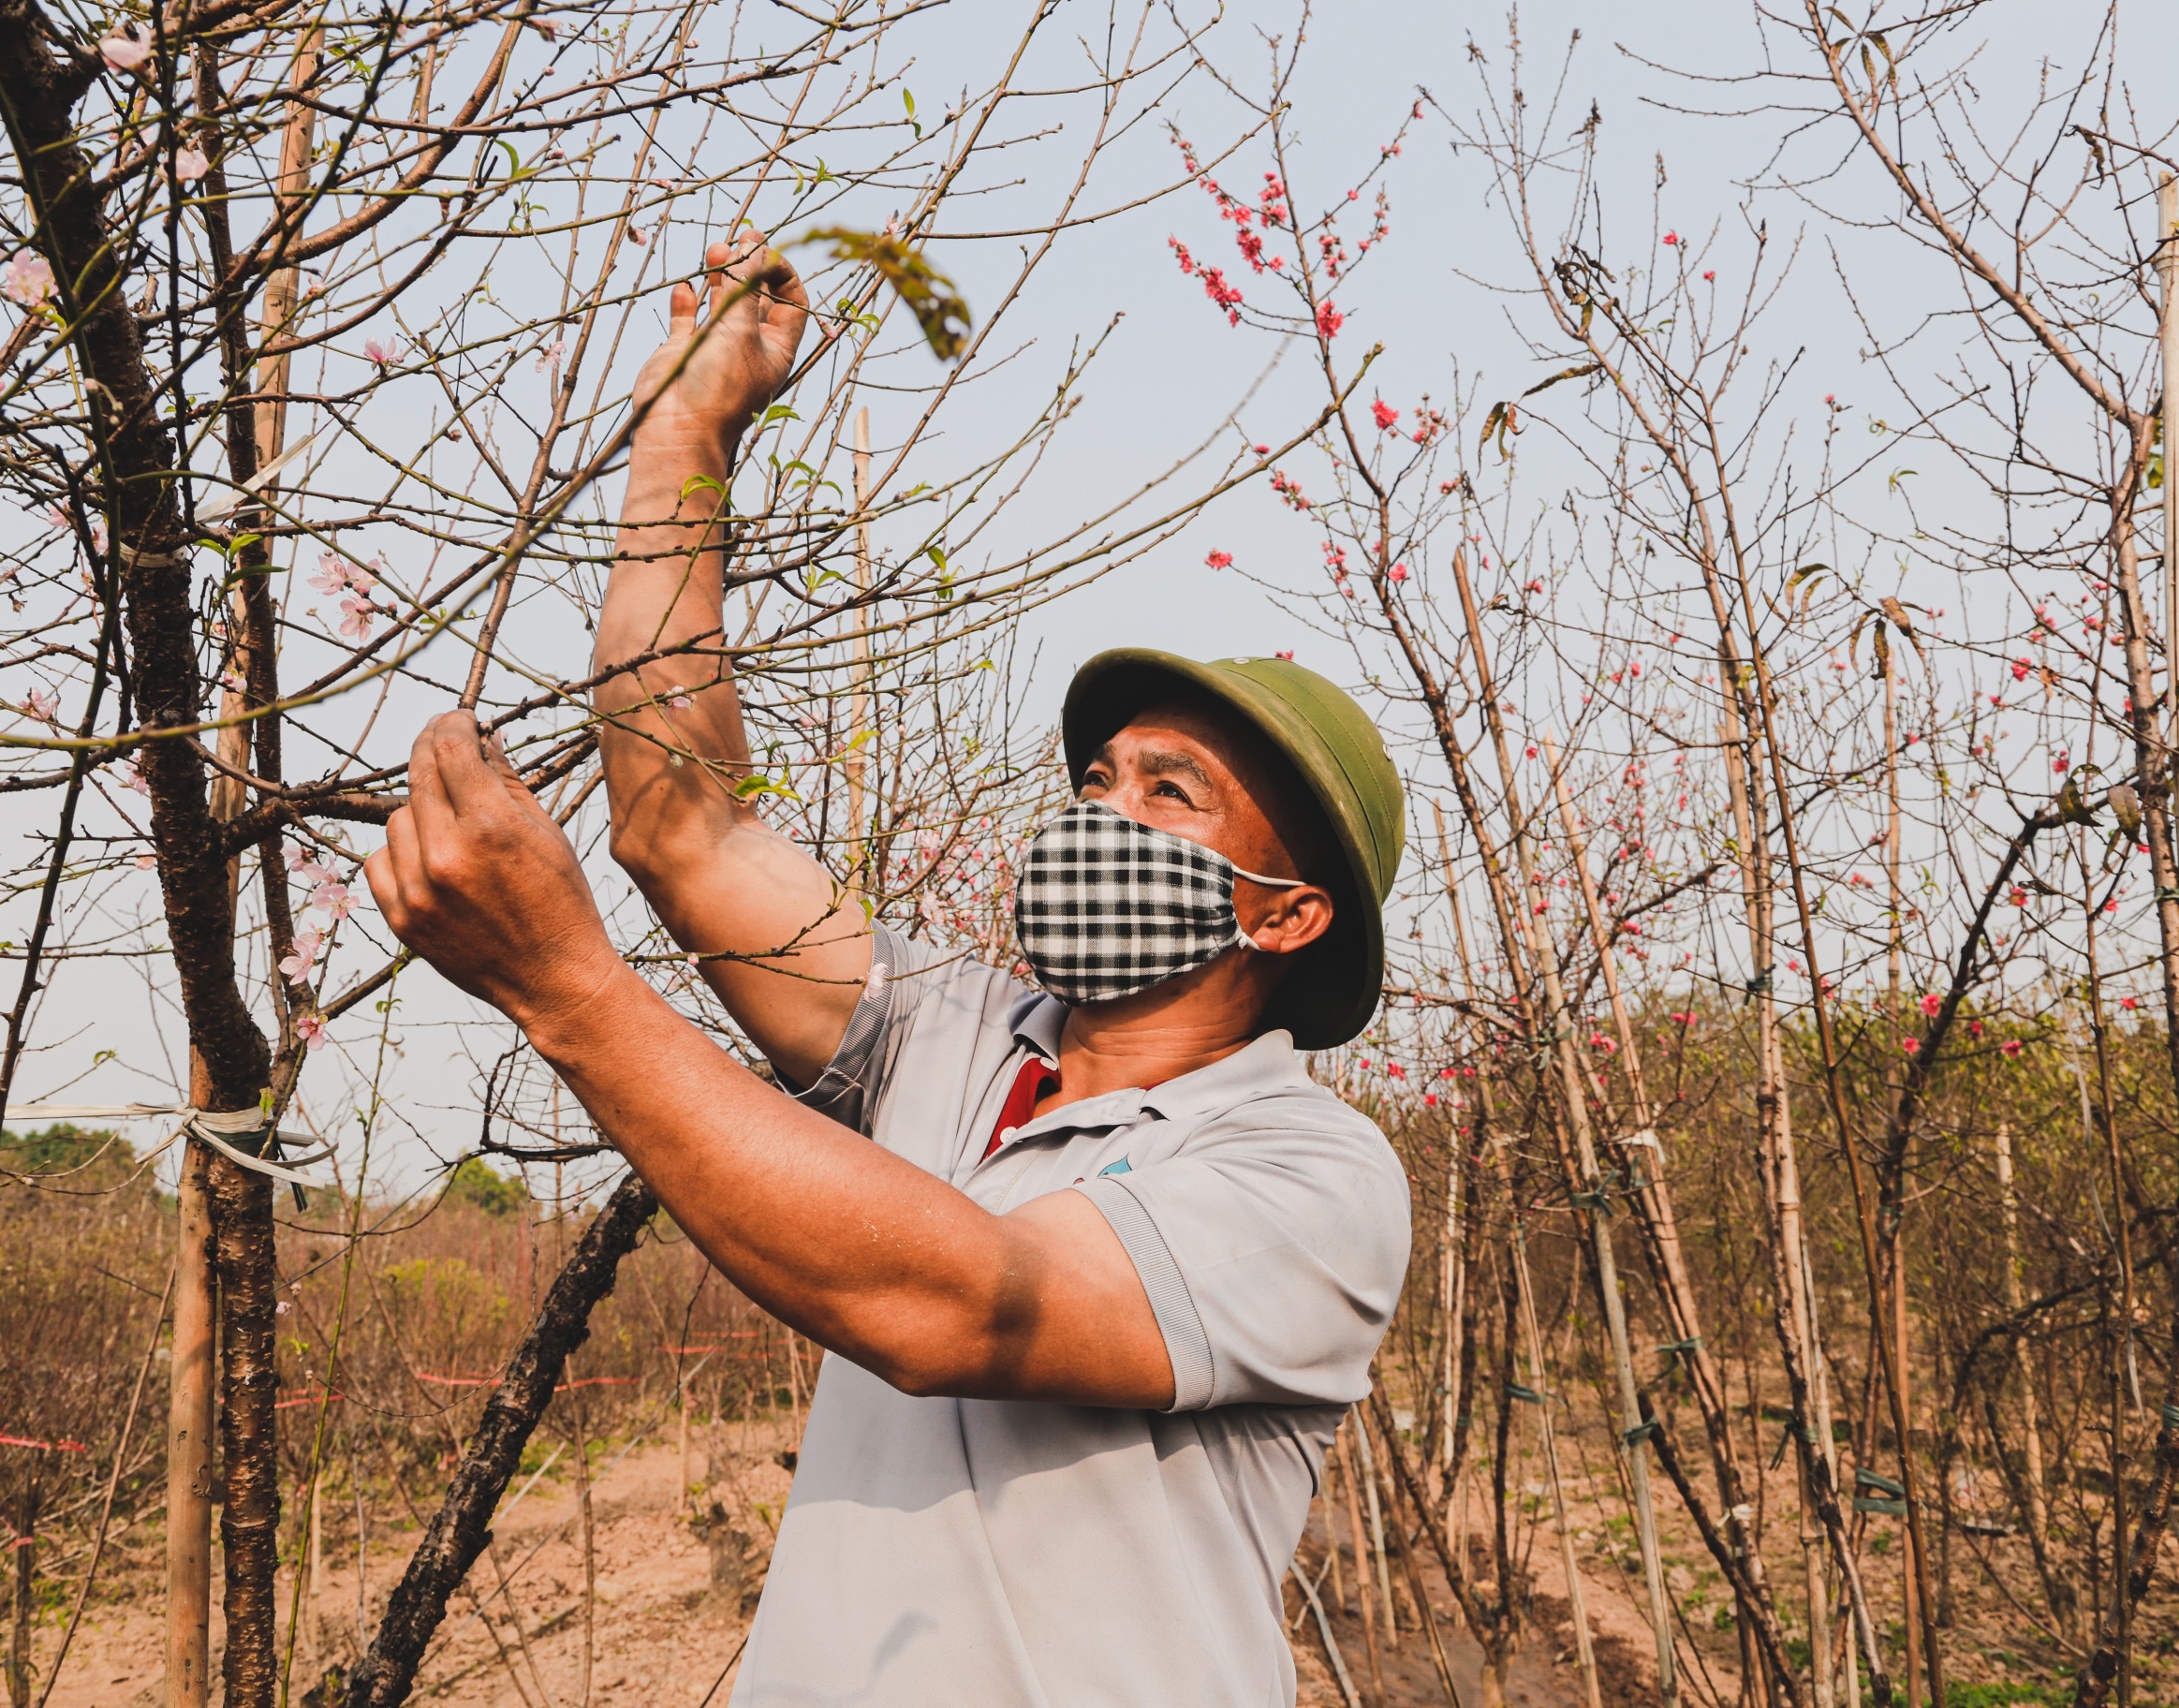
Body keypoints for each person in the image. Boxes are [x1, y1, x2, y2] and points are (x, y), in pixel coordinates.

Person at [367, 236, 1413, 1706]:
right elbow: (682, 822)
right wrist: (687, 425)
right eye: (1099, 777)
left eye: (1169, 795)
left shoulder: (1313, 1174)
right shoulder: (957, 1034)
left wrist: (564, 986)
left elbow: (965, 1306)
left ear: (1289, 916)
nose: (1101, 812)